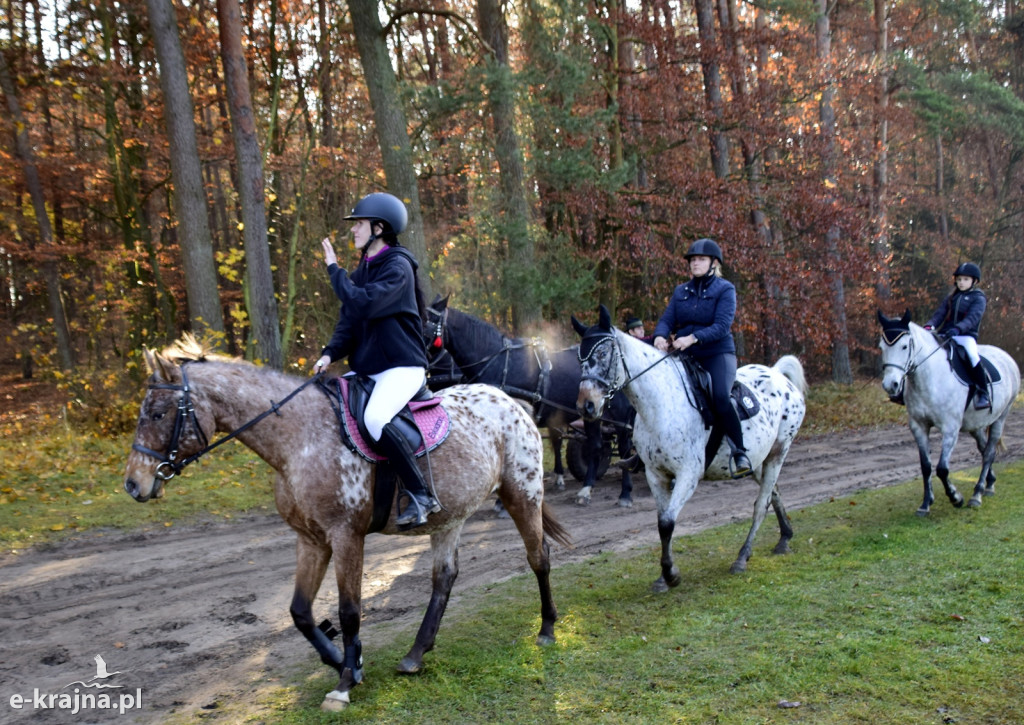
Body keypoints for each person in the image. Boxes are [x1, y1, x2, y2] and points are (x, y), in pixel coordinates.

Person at [313, 192, 439, 528]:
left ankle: (421, 494)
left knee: (375, 418)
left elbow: (365, 303)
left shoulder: (398, 267)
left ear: (379, 228)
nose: (353, 231)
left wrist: (333, 270)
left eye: (359, 225)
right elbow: (349, 323)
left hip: (402, 367)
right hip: (370, 368)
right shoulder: (362, 271)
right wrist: (329, 353)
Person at [652, 238, 752, 478]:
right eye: (692, 260)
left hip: (717, 353)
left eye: (700, 259)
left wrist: (692, 338)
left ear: (713, 263)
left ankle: (739, 452)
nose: (695, 263)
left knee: (719, 398)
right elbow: (668, 319)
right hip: (685, 355)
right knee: (658, 392)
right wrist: (659, 336)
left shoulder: (725, 289)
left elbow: (721, 326)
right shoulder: (681, 291)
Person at [924, 262, 990, 409]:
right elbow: (939, 315)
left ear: (974, 281)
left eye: (965, 279)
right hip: (945, 334)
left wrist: (958, 329)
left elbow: (972, 318)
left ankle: (983, 392)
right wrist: (929, 326)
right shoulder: (951, 297)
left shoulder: (978, 298)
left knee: (972, 357)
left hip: (965, 336)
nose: (961, 283)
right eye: (959, 279)